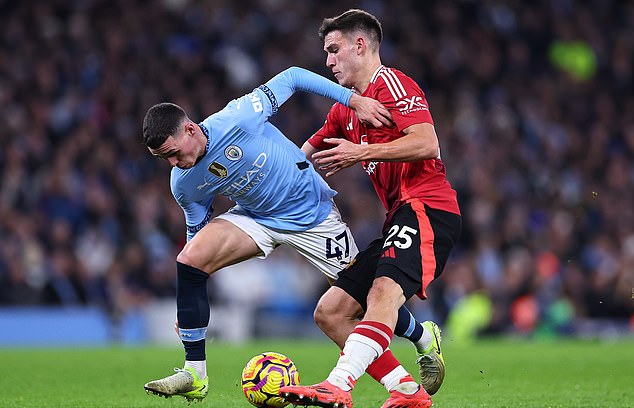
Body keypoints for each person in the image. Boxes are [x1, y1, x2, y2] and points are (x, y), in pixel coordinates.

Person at [140, 66, 429, 402]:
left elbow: (292, 77)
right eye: (164, 158)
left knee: (362, 299)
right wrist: (191, 296)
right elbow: (196, 230)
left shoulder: (238, 117)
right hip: (257, 218)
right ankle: (195, 374)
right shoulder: (183, 182)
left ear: (190, 129)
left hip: (312, 216)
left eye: (174, 153)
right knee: (189, 260)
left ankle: (422, 336)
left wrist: (353, 101)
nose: (173, 163)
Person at [280, 10, 462, 408]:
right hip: (398, 216)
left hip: (429, 207)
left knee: (382, 294)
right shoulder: (343, 110)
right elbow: (299, 157)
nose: (328, 61)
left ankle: (338, 385)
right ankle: (407, 392)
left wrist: (361, 152)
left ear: (360, 45)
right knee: (332, 312)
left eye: (334, 50)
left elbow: (427, 143)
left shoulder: (393, 84)